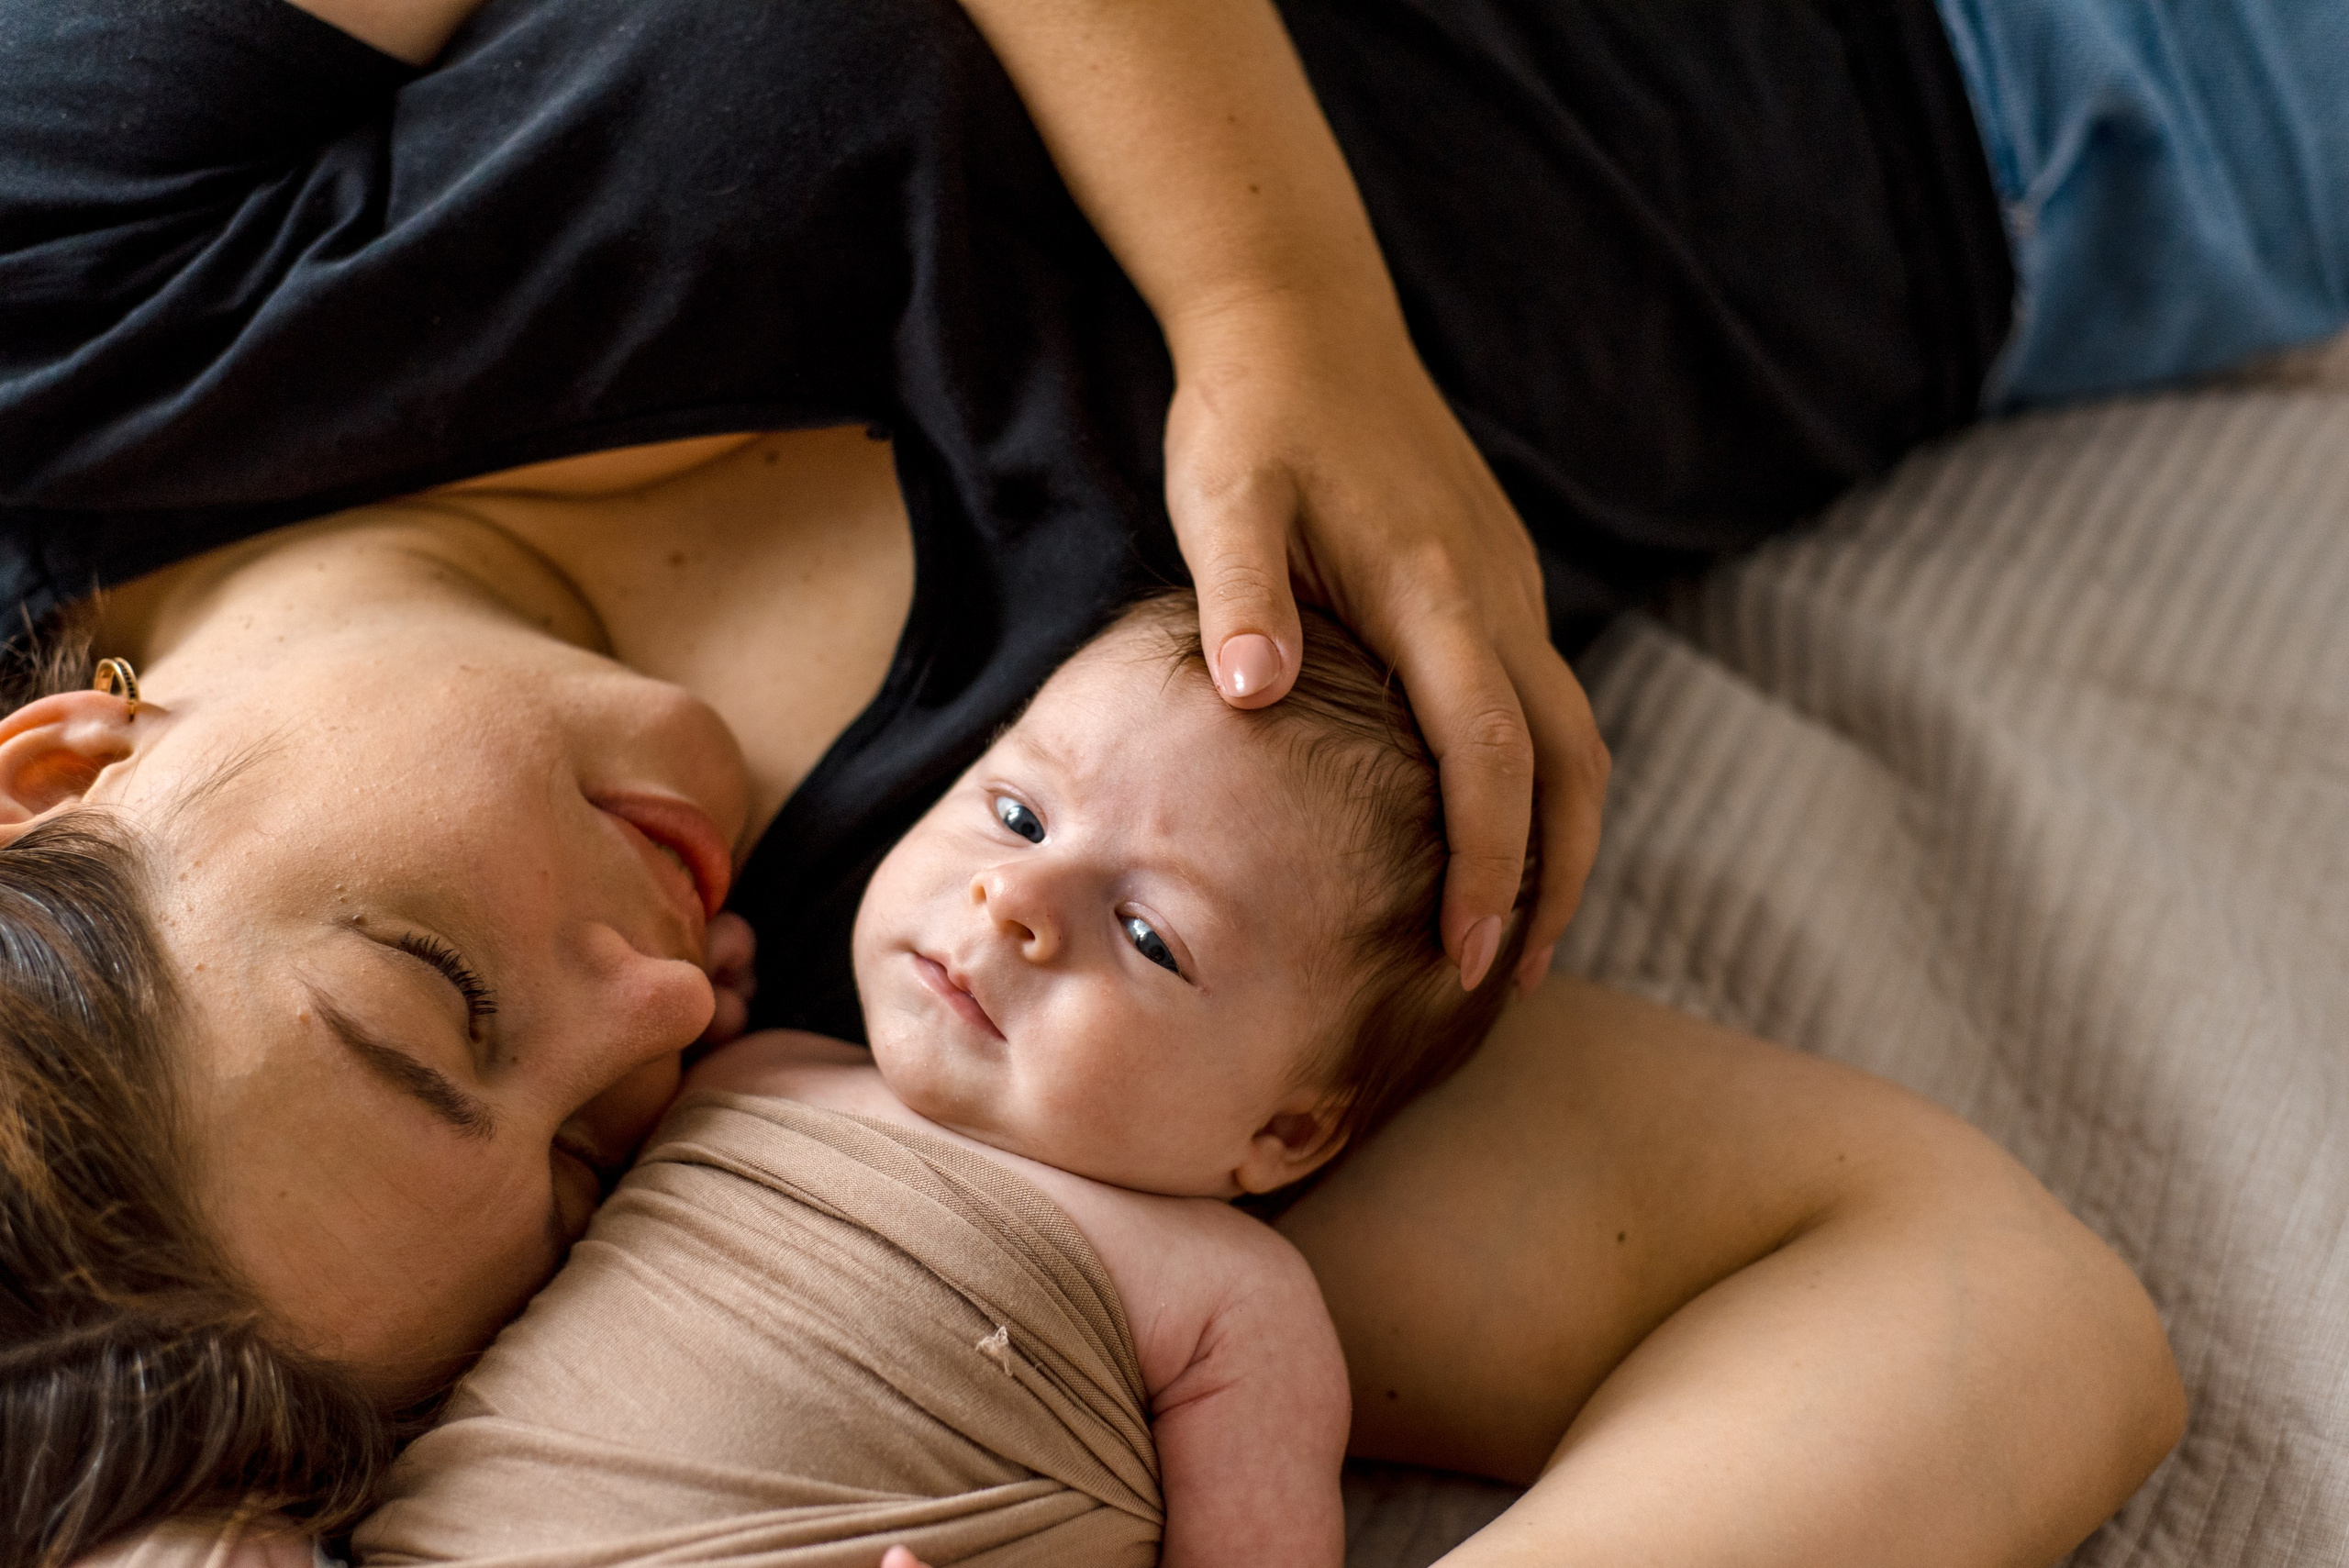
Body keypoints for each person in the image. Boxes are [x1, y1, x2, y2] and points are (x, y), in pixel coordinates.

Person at [6, 0, 2290, 1558]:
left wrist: (1278, 306)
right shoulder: (1000, 1003)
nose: (660, 1017)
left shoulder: (80, 291)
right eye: (589, 1168)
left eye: (436, 1007)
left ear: (54, 760)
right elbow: (1992, 1308)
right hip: (2077, 96)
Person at [357, 593, 1518, 1567]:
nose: (1015, 899)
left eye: (1149, 935)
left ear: (1288, 1129)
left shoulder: (1228, 1302)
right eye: (1017, 815)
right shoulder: (748, 1065)